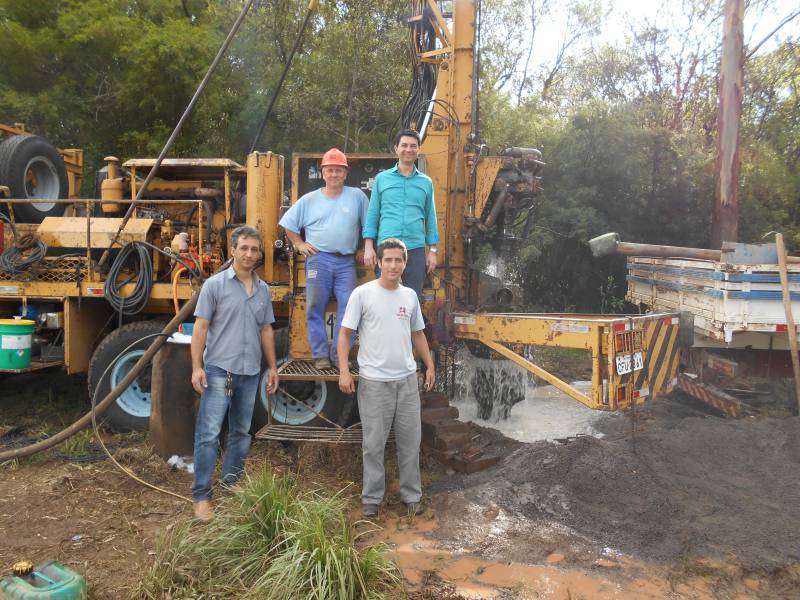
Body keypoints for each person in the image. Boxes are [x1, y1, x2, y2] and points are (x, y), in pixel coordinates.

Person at [337, 238, 435, 517]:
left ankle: (411, 496)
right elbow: (345, 334)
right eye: (388, 260)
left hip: (406, 381)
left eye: (398, 260)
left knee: (410, 442)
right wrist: (344, 370)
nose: (393, 265)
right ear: (378, 262)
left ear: (405, 263)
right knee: (373, 444)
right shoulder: (363, 294)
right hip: (374, 383)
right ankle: (371, 499)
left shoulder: (410, 297)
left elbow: (417, 333)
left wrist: (428, 365)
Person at [190, 225, 279, 521]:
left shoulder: (263, 289)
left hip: (250, 371)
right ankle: (201, 496)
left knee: (241, 433)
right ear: (232, 250)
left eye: (254, 249)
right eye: (243, 248)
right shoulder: (214, 286)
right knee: (209, 434)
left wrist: (273, 367)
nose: (249, 254)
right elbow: (200, 328)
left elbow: (266, 329)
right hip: (218, 370)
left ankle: (232, 483)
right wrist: (196, 367)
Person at [279, 148, 369, 370]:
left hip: (346, 261)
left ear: (345, 173)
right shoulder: (309, 200)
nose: (334, 174)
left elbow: (368, 225)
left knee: (349, 309)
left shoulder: (357, 196)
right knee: (315, 307)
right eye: (330, 170)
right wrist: (299, 244)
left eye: (339, 170)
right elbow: (288, 224)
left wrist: (362, 247)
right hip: (318, 260)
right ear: (323, 173)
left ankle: (339, 356)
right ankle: (320, 355)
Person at [362, 129, 439, 299]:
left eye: (413, 146)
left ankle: (410, 327)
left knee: (412, 300)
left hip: (415, 250)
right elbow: (373, 214)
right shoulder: (382, 179)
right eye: (404, 145)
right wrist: (369, 246)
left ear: (418, 149)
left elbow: (430, 217)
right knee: (384, 299)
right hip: (387, 249)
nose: (408, 150)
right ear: (396, 148)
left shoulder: (426, 182)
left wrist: (433, 251)